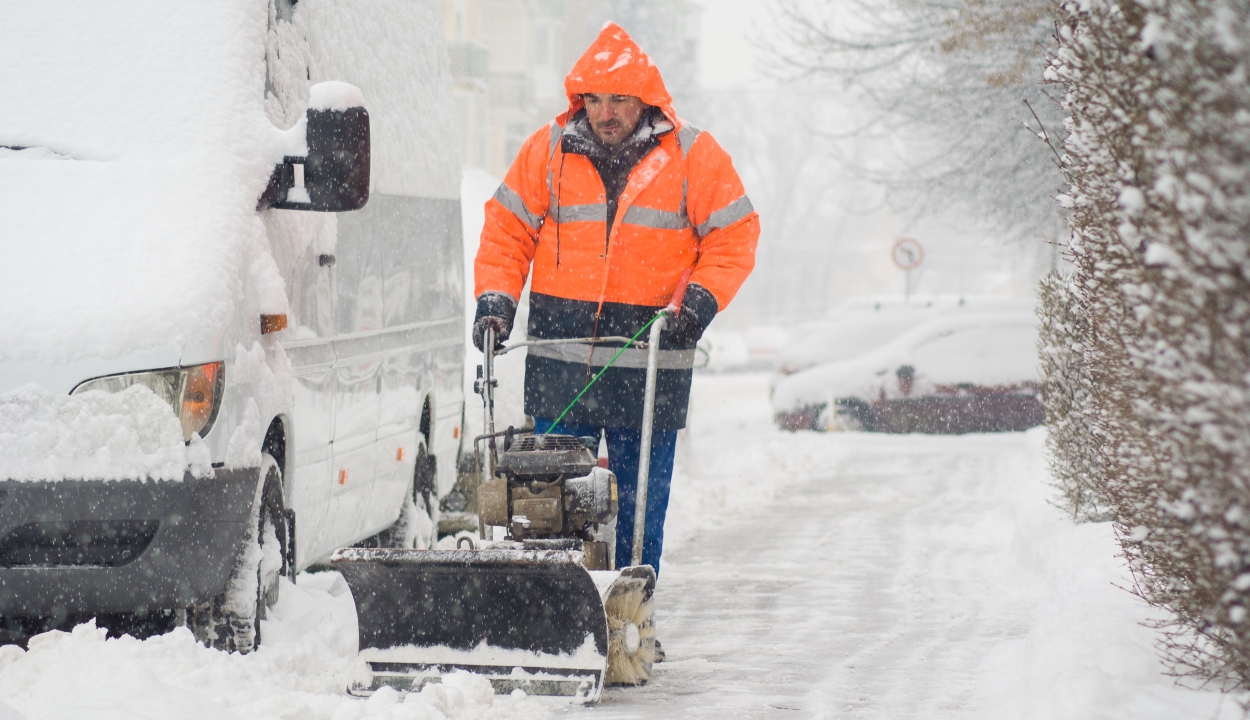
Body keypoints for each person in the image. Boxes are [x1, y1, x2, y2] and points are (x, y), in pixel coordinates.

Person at [472, 22, 759, 578]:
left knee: (638, 513)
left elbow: (735, 234)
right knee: (548, 509)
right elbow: (507, 231)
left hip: (650, 365)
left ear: (645, 99)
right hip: (562, 367)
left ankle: (630, 615)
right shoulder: (547, 153)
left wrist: (699, 300)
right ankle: (559, 612)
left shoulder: (692, 156)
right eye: (595, 98)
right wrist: (495, 300)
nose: (605, 112)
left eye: (619, 99)